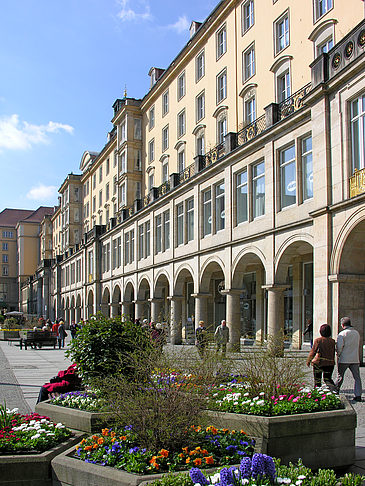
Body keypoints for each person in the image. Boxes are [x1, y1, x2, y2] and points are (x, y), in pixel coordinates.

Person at [335, 317, 363, 402]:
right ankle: (358, 395)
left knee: (340, 376)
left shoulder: (342, 334)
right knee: (357, 377)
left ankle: (335, 391)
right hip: (354, 358)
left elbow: (339, 347)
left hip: (344, 358)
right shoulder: (356, 333)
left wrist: (338, 354)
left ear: (342, 325)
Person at [306, 324, 335, 388]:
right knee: (328, 378)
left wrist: (308, 360)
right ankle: (333, 389)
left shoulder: (318, 340)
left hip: (319, 362)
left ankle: (317, 393)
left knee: (317, 380)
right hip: (329, 363)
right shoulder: (332, 341)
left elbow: (313, 351)